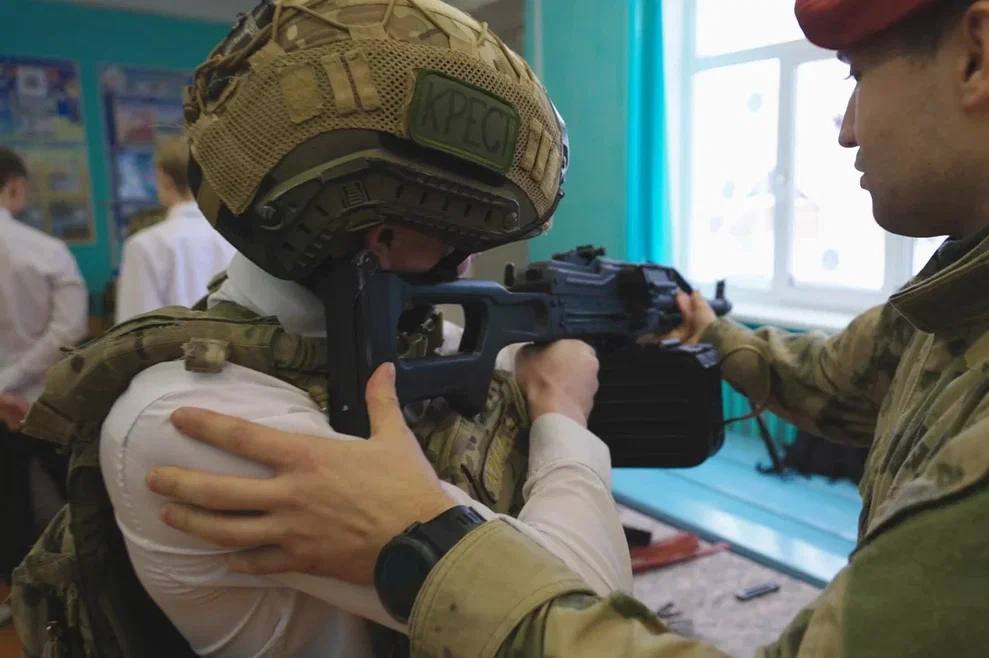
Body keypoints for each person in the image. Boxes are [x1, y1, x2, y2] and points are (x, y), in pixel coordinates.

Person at [141, 0, 989, 656]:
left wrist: (422, 541)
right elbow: (839, 382)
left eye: (856, 77)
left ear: (980, 54)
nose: (846, 126)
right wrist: (707, 328)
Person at [11, 1, 629, 657]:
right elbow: (577, 615)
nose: (469, 262)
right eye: (457, 236)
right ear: (378, 236)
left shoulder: (415, 344)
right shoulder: (191, 418)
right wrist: (563, 411)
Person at [0, 145, 87, 625]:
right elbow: (68, 331)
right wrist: (13, 379)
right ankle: (80, 596)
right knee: (74, 499)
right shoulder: (47, 251)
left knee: (7, 504)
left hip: (5, 401)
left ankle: (18, 602)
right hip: (45, 401)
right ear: (15, 185)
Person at [114, 137, 235, 323]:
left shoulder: (145, 244)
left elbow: (135, 326)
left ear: (164, 178)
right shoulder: (235, 237)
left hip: (173, 342)